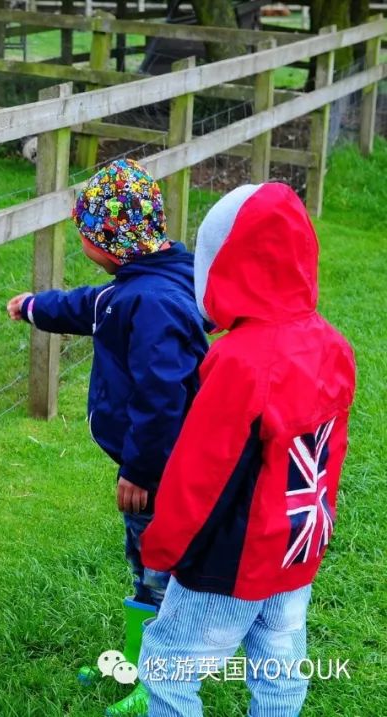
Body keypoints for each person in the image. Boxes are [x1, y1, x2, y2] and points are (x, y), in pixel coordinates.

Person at [138, 183, 356, 717]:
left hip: (231, 559)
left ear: (224, 265)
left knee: (168, 667)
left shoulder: (239, 361)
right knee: (278, 664)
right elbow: (331, 453)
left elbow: (201, 473)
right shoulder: (334, 346)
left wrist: (162, 548)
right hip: (298, 545)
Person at [7, 159, 207, 717]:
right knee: (147, 561)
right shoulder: (155, 281)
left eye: (85, 234)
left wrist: (139, 471)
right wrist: (32, 307)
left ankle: (156, 684)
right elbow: (84, 306)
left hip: (161, 473)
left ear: (106, 243)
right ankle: (143, 664)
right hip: (169, 465)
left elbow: (161, 399)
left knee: (156, 568)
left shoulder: (149, 305)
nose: (82, 244)